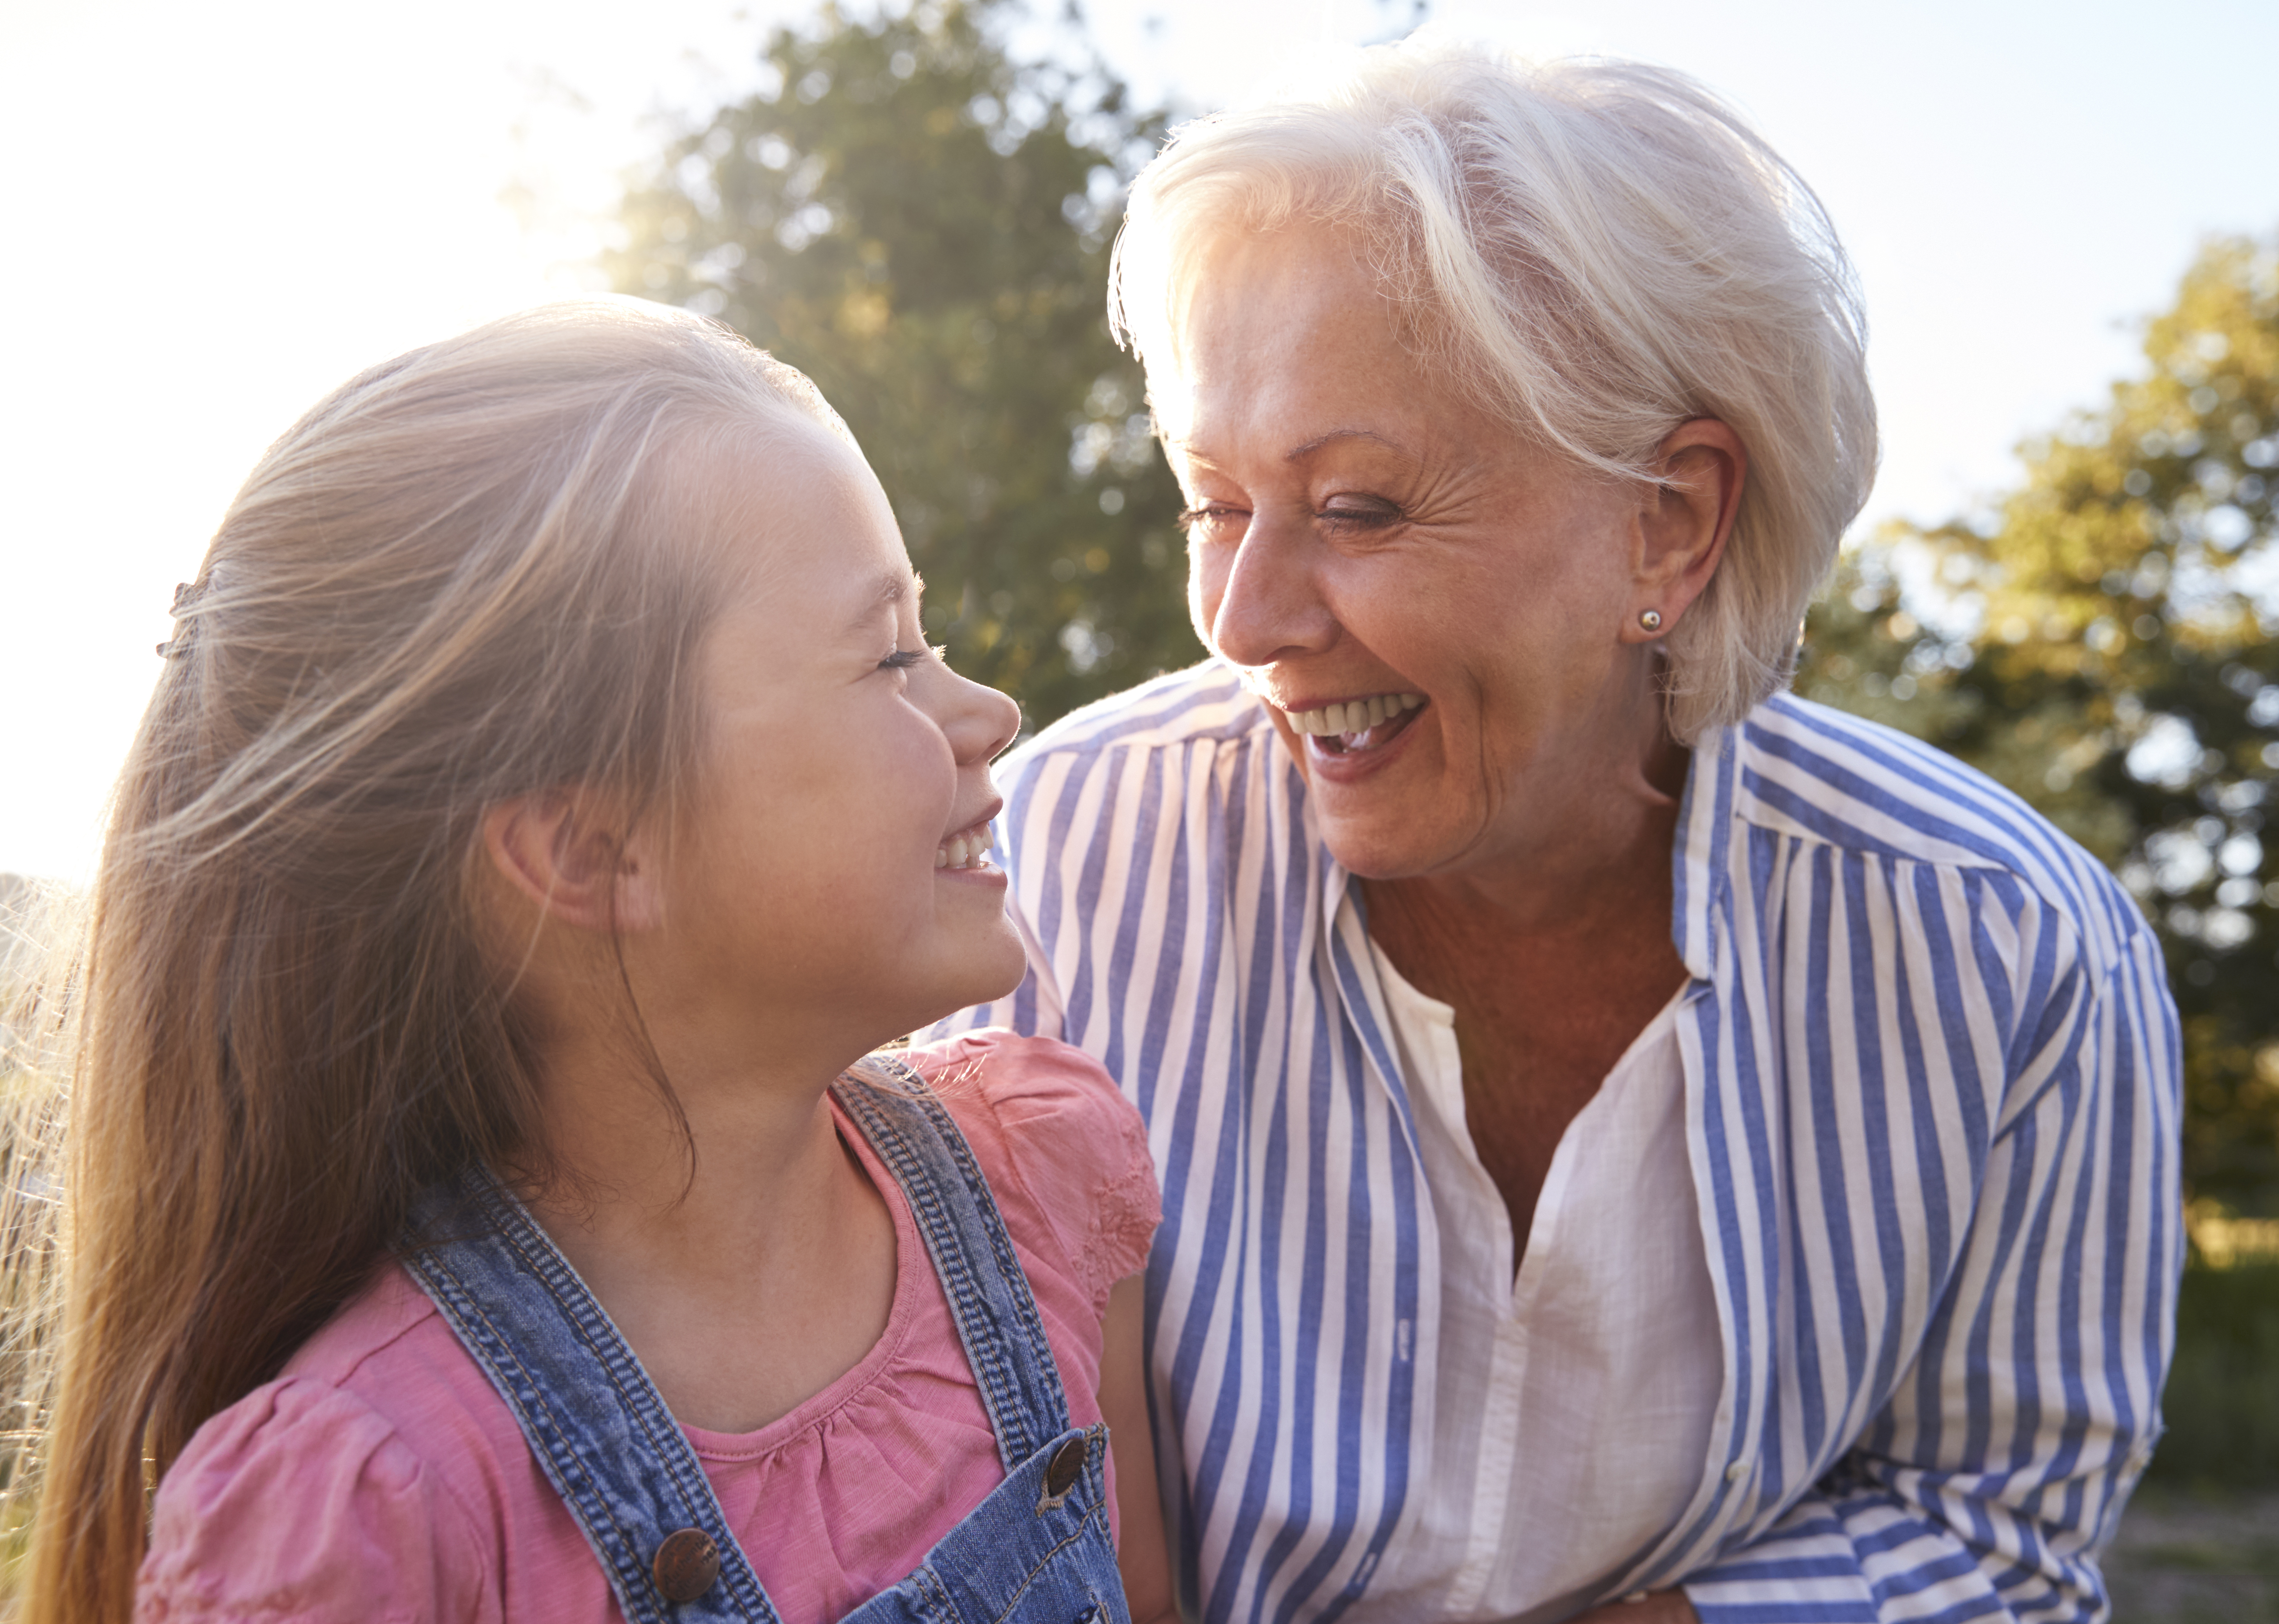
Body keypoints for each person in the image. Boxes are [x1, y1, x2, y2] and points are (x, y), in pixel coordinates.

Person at [936, 37, 2184, 1624]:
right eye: (1215, 504)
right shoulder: (1060, 861)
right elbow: (972, 1497)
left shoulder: (2012, 948)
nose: (1243, 622)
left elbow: (1997, 1529)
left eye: (1359, 507)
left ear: (1670, 523)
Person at [22, 301, 1177, 1624]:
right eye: (887, 658)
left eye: (932, 636)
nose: (990, 713)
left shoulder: (1037, 1182)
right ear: (587, 850)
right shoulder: (377, 1514)